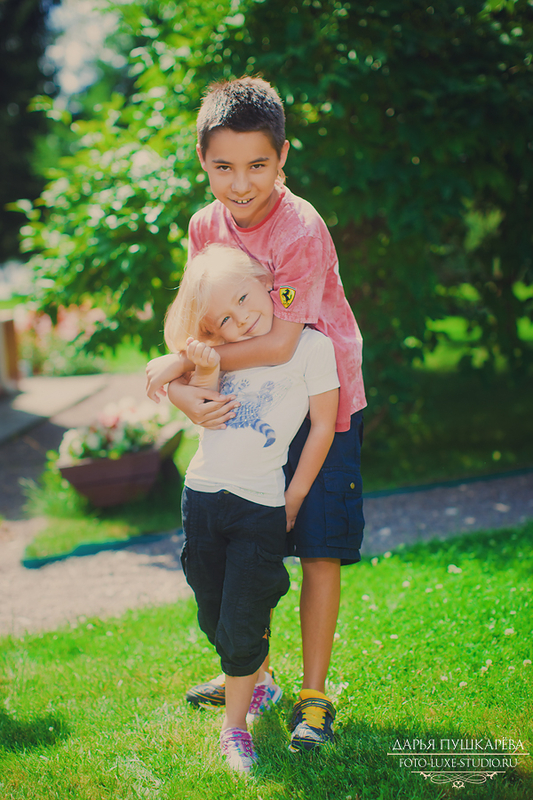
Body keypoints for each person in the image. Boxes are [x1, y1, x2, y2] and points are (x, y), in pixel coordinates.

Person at [146, 76, 366, 753]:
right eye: (223, 167)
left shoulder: (300, 229)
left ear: (283, 157)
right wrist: (184, 389)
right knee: (240, 546)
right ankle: (253, 671)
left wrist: (183, 365)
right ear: (201, 161)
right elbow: (195, 320)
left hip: (320, 401)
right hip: (250, 405)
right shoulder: (204, 226)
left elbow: (280, 344)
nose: (240, 185)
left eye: (257, 165)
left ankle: (314, 697)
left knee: (318, 545)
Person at [165, 244, 339, 772]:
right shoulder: (222, 353)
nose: (241, 319)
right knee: (213, 611)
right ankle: (259, 681)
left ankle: (234, 729)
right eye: (224, 318)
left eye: (244, 299)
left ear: (267, 284)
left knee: (243, 617)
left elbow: (323, 427)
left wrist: (295, 496)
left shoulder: (311, 347)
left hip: (259, 504)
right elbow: (208, 413)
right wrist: (204, 369)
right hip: (201, 497)